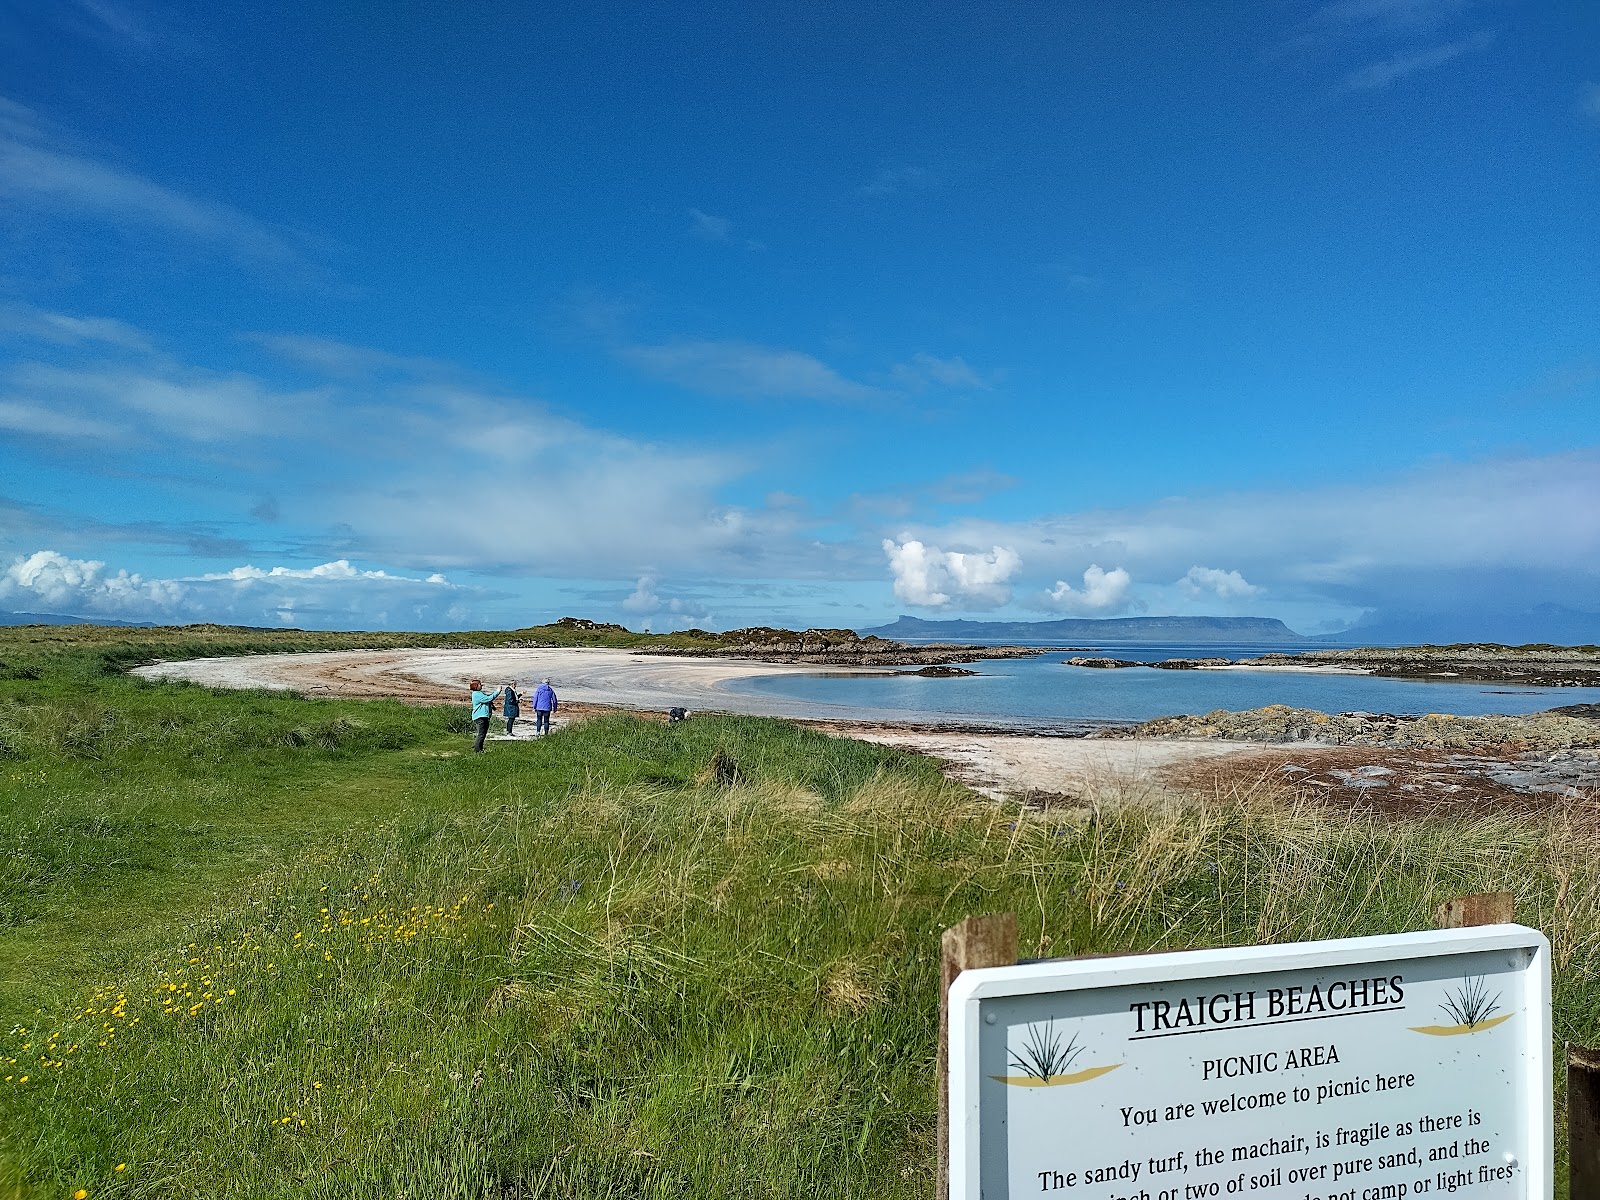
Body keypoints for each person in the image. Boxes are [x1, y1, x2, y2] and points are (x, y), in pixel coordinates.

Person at [468, 678, 502, 753]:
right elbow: (488, 699)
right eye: (480, 684)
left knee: (482, 733)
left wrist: (493, 707)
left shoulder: (478, 693)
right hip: (480, 716)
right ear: (476, 686)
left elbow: (487, 700)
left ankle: (480, 748)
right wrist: (497, 691)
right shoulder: (477, 694)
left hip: (482, 716)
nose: (481, 686)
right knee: (481, 734)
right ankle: (477, 750)